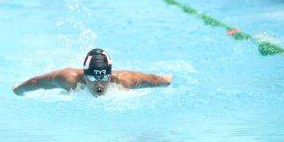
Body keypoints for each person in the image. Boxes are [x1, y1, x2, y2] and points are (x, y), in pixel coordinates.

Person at [13, 48, 173, 97]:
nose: (99, 82)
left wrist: (169, 80)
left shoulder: (124, 81)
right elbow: (36, 82)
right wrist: (18, 91)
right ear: (84, 74)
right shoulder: (69, 79)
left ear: (110, 74)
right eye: (92, 76)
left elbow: (158, 80)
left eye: (104, 76)